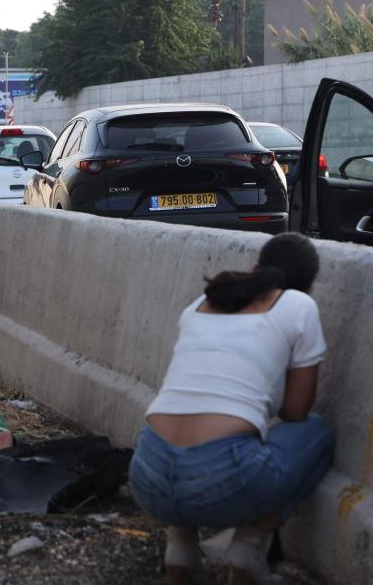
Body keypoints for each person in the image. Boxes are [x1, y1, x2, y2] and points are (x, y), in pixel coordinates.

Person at [128, 233, 334, 584]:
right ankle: (248, 550)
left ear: (256, 268)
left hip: (147, 477)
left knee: (185, 439)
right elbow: (296, 412)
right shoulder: (299, 306)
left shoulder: (200, 304)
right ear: (309, 287)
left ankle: (180, 552)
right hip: (222, 484)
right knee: (317, 433)